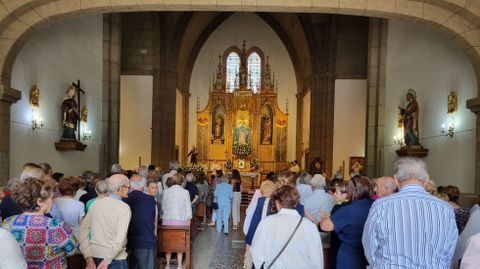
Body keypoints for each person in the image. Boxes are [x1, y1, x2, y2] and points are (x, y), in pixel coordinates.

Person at [362, 157, 458, 268]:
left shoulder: (381, 206)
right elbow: (450, 250)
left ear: (396, 180)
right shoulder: (446, 209)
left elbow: (369, 245)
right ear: (426, 180)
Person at [1, 178, 77, 269]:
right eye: (51, 198)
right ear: (40, 201)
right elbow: (72, 251)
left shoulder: (7, 223)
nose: (52, 201)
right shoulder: (57, 226)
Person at [250, 185, 323, 269]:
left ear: (277, 203)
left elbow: (257, 251)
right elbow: (316, 258)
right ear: (295, 203)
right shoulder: (309, 226)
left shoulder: (266, 223)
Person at [79, 174, 132, 269]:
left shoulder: (95, 204)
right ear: (121, 189)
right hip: (115, 259)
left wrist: (88, 257)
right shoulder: (124, 208)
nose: (130, 189)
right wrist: (107, 260)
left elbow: (83, 230)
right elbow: (120, 240)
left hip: (94, 256)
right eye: (128, 187)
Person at [320, 176, 373, 269]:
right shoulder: (375, 205)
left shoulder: (348, 210)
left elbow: (325, 226)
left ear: (351, 190)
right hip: (370, 256)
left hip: (350, 257)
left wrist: (324, 217)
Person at [246, 172, 306, 247]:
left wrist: (249, 245)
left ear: (277, 184)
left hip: (267, 248)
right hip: (289, 248)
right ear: (293, 186)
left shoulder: (263, 202)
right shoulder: (299, 207)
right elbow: (301, 234)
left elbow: (254, 228)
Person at [123, 174, 157, 269]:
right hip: (145, 239)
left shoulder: (124, 198)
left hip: (126, 240)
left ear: (130, 185)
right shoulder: (150, 200)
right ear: (143, 186)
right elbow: (153, 220)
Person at [161, 173, 192, 269]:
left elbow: (163, 206)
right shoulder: (185, 192)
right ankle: (179, 266)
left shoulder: (166, 191)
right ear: (182, 181)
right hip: (180, 220)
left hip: (167, 220)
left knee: (168, 243)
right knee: (180, 244)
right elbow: (188, 207)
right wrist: (189, 219)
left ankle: (168, 265)